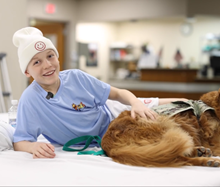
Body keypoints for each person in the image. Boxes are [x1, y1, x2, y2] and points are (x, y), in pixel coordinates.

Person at [12, 27, 187, 159]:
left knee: (182, 104)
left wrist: (135, 103)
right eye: (36, 62)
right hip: (110, 136)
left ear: (57, 58)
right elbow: (20, 141)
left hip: (116, 111)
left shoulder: (76, 77)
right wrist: (33, 147)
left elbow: (118, 94)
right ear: (27, 72)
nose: (47, 65)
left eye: (50, 56)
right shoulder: (30, 100)